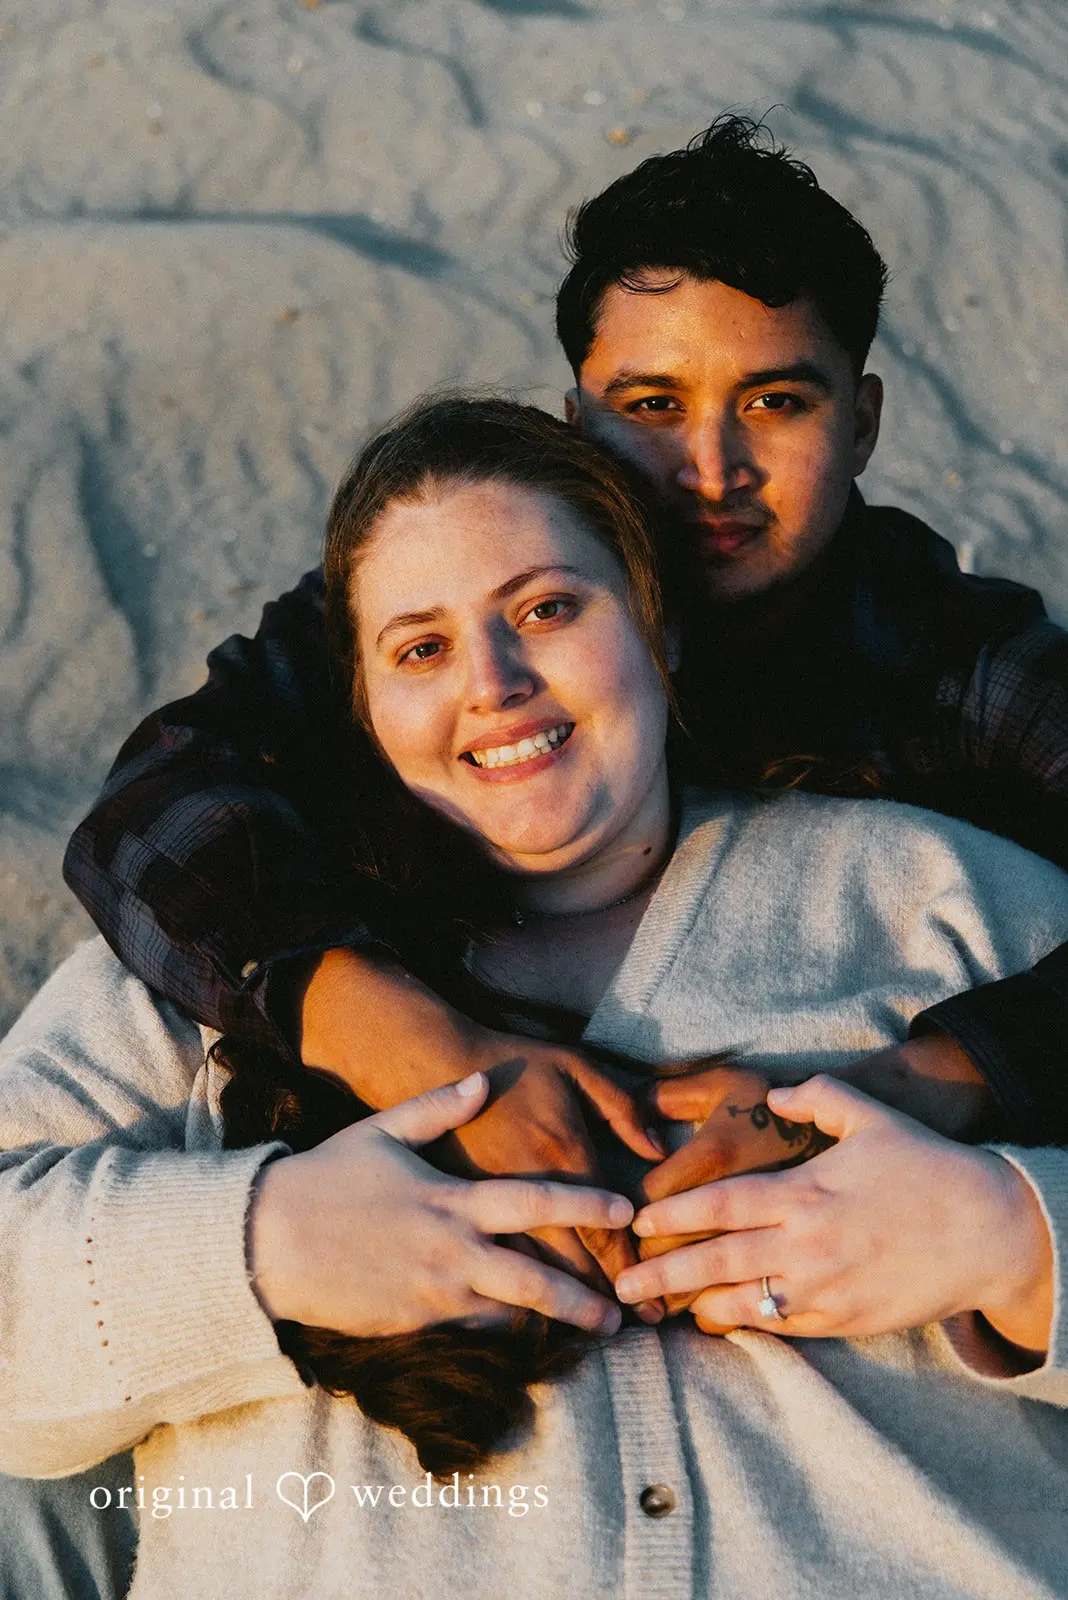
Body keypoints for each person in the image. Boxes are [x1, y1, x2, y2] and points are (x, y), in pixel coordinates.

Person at [3, 395, 1068, 1599]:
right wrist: (270, 1244)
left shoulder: (947, 898)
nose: (495, 683)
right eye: (421, 649)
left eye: (548, 609)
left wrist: (1011, 1239)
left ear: (657, 629)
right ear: (360, 706)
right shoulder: (220, 951)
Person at [60, 118, 1068, 1279]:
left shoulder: (953, 656)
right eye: (650, 404)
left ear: (865, 422)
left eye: (776, 402)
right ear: (578, 417)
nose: (709, 467)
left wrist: (907, 1089)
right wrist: (427, 1054)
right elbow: (152, 802)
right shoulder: (462, 602)